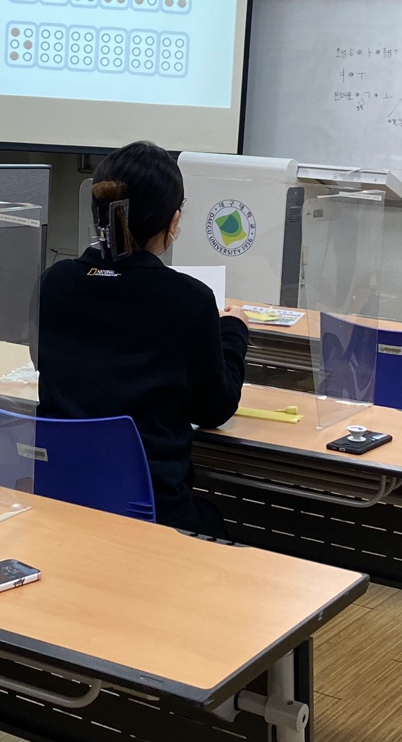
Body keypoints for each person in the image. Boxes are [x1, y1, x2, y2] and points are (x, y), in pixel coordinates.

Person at [35, 141, 249, 537]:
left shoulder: (54, 282)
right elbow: (214, 409)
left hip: (60, 503)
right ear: (173, 221)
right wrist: (233, 331)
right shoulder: (188, 300)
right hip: (153, 514)